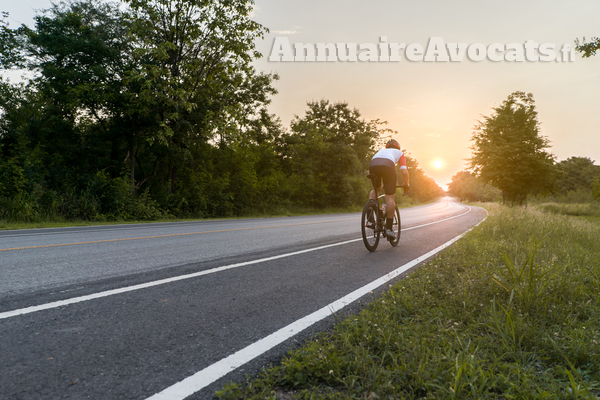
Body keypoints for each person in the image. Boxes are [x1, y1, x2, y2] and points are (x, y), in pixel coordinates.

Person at [368, 138, 409, 240]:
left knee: (377, 189)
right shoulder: (399, 153)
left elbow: (369, 173)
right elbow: (404, 171)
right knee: (389, 198)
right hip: (388, 167)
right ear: (398, 147)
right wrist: (406, 184)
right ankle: (389, 229)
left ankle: (370, 217)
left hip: (373, 165)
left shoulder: (380, 151)